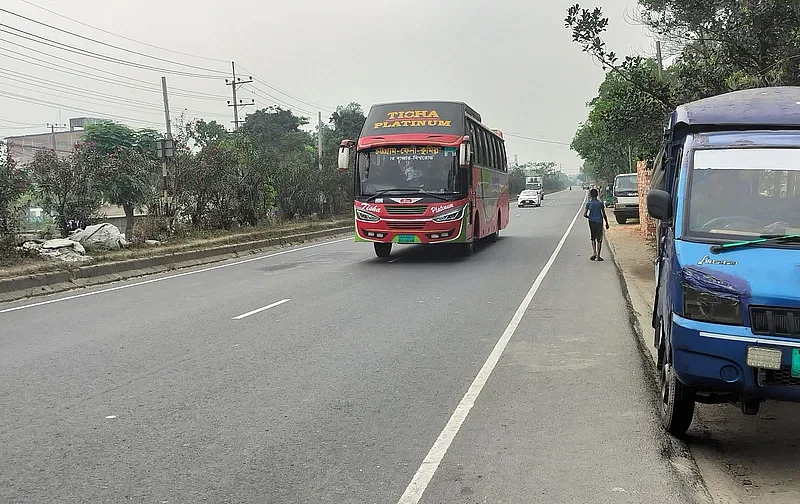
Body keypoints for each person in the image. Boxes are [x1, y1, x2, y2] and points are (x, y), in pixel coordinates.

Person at [584, 188, 609, 261]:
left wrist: (590, 217)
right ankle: (598, 256)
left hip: (591, 222)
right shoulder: (600, 203)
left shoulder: (588, 204)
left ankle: (594, 252)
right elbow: (603, 214)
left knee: (593, 237)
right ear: (597, 194)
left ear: (590, 195)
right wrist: (607, 223)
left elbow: (585, 214)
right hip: (599, 222)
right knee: (599, 239)